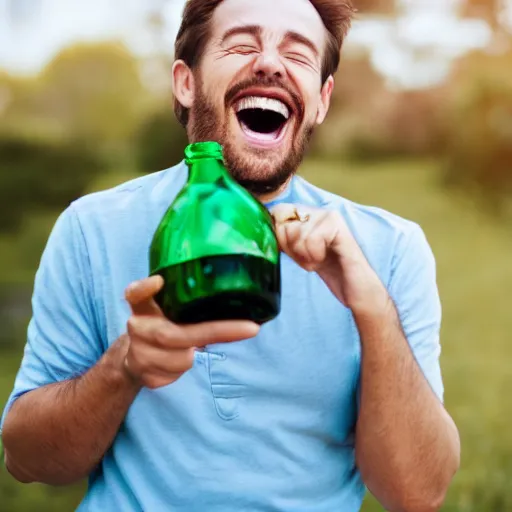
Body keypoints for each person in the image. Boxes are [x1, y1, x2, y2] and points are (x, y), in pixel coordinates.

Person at [1, 0, 460, 510]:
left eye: (299, 53)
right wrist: (121, 369)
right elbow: (28, 461)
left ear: (322, 99)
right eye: (242, 43)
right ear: (186, 82)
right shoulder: (92, 229)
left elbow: (418, 492)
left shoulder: (391, 248)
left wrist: (372, 309)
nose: (269, 62)